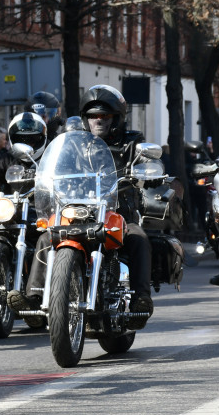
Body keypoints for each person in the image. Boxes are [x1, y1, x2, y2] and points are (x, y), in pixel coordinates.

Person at [13, 87, 153, 322]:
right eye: (93, 116)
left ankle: (141, 297)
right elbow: (58, 166)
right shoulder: (74, 144)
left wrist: (146, 172)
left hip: (116, 212)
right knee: (47, 237)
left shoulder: (131, 142)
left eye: (104, 116)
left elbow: (144, 167)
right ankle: (35, 296)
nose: (98, 121)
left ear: (116, 118)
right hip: (76, 209)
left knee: (138, 237)